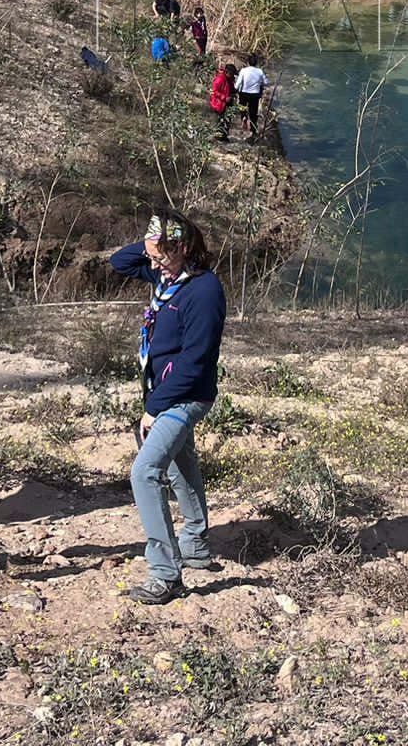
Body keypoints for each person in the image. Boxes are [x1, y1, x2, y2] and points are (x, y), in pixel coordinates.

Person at [110, 213, 225, 604]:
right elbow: (119, 262)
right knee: (181, 464)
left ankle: (165, 574)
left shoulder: (204, 291)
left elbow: (196, 360)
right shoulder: (165, 278)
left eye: (162, 257)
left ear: (184, 249)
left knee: (145, 471)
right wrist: (152, 240)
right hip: (161, 389)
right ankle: (195, 546)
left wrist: (154, 407)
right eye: (153, 257)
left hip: (186, 395)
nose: (154, 265)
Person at [234, 57, 267, 140]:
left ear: (248, 63)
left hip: (244, 93)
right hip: (255, 95)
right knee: (253, 112)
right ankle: (252, 130)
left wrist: (234, 90)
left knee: (242, 106)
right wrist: (259, 83)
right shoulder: (260, 71)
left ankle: (243, 117)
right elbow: (266, 82)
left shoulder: (243, 70)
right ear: (256, 63)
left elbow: (238, 83)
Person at [207, 63, 235, 141]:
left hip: (227, 102)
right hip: (219, 103)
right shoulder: (220, 78)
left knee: (227, 120)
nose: (232, 76)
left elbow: (231, 88)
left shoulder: (230, 79)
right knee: (219, 121)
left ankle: (224, 136)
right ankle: (217, 137)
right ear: (226, 72)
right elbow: (214, 91)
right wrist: (224, 98)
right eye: (231, 74)